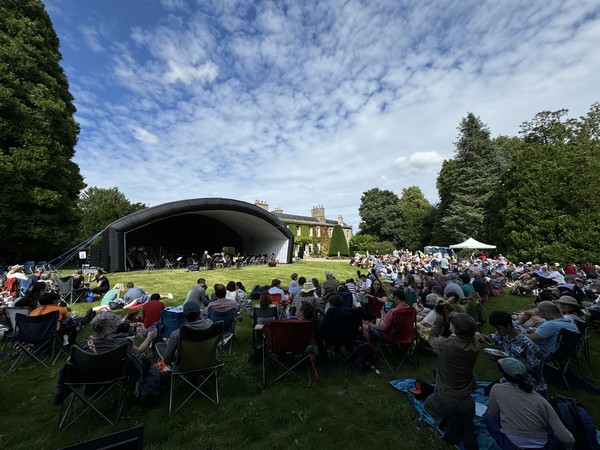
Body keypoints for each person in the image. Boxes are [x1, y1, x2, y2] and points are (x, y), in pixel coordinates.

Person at [484, 358, 575, 449]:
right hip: (543, 446)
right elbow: (567, 438)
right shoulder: (541, 400)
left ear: (504, 374)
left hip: (513, 445)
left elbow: (493, 415)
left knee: (488, 416)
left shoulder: (497, 389)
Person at [424, 309, 480, 449]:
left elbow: (431, 337)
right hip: (467, 400)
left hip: (446, 396)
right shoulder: (475, 346)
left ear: (454, 328)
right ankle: (467, 425)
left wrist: (438, 319)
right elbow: (471, 333)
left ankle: (448, 421)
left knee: (428, 404)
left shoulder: (445, 345)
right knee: (463, 412)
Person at [483, 311, 546, 395]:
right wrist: (477, 335)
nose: (497, 331)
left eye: (499, 328)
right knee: (488, 392)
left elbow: (536, 370)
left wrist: (509, 362)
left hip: (528, 383)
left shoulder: (528, 346)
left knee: (498, 397)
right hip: (510, 379)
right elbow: (491, 338)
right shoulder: (504, 335)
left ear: (509, 325)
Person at [155, 301, 213, 366]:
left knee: (160, 346)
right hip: (207, 361)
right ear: (199, 313)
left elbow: (167, 360)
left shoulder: (177, 334)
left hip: (186, 366)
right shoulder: (210, 324)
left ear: (183, 315)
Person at [80, 311, 157, 354]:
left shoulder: (84, 343)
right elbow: (139, 350)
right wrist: (149, 338)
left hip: (93, 375)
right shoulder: (122, 343)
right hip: (115, 374)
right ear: (111, 328)